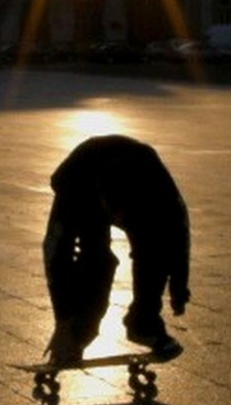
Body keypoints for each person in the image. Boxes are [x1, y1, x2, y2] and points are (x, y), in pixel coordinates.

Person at [42, 134, 190, 366]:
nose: (118, 220)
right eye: (114, 212)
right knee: (96, 260)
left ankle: (143, 323)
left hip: (140, 198)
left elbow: (178, 236)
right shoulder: (73, 186)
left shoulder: (159, 190)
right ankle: (78, 333)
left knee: (154, 249)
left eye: (122, 215)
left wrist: (179, 289)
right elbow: (56, 253)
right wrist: (64, 320)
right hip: (87, 192)